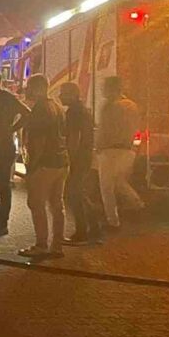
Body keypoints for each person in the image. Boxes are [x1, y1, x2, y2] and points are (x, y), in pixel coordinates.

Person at [18, 75, 69, 259]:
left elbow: (39, 140)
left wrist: (32, 166)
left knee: (36, 203)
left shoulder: (40, 109)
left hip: (45, 164)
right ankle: (57, 245)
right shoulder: (56, 106)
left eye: (30, 87)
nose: (27, 90)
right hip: (61, 161)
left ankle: (41, 244)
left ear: (38, 88)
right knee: (57, 204)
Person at [0, 69, 30, 236]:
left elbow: (27, 114)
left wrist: (11, 129)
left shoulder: (5, 97)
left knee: (1, 185)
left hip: (2, 147)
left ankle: (2, 221)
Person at [95, 76, 144, 230]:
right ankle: (137, 204)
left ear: (111, 89)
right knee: (119, 181)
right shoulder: (132, 106)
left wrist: (98, 147)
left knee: (106, 187)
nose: (103, 91)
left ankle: (112, 221)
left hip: (110, 151)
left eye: (105, 87)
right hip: (128, 151)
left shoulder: (109, 107)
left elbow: (104, 130)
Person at [59, 82, 102, 245]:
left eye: (63, 93)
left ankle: (82, 232)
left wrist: (69, 158)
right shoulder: (82, 111)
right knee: (79, 193)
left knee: (74, 194)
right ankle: (94, 228)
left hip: (77, 159)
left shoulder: (74, 113)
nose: (60, 96)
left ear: (71, 94)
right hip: (84, 157)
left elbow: (74, 138)